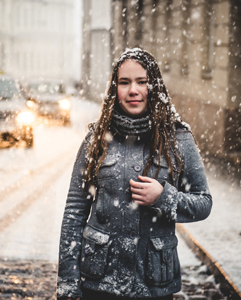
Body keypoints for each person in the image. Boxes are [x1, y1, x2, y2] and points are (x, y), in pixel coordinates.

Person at [57, 48, 212, 300]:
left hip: (154, 286)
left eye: (142, 82)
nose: (133, 90)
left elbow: (204, 202)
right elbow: (75, 212)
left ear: (155, 87)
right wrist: (68, 282)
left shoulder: (178, 139)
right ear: (114, 89)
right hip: (98, 284)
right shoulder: (97, 139)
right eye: (124, 82)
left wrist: (164, 198)